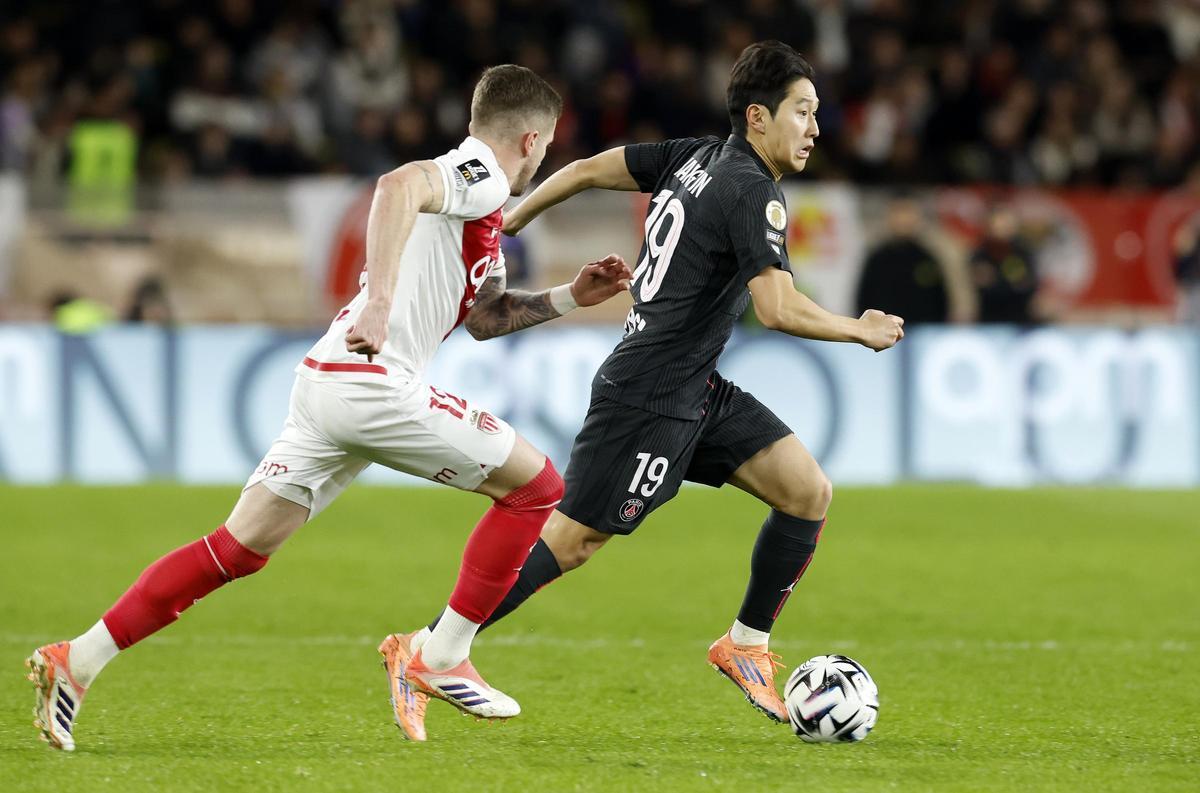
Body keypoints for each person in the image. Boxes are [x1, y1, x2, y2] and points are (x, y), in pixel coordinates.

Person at [26, 64, 634, 750]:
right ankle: (438, 655)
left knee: (236, 549)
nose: (542, 158)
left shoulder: (477, 210)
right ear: (530, 139)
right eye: (546, 146)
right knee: (537, 488)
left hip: (328, 382)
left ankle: (75, 661)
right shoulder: (482, 174)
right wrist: (379, 301)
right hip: (372, 381)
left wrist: (570, 297)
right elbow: (395, 186)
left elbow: (487, 317)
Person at [394, 41, 904, 734]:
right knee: (569, 543)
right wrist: (858, 329)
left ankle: (745, 645)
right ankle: (426, 648)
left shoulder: (693, 156)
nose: (816, 127)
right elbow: (778, 308)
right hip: (648, 395)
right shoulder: (753, 191)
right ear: (759, 117)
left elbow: (583, 169)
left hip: (694, 384)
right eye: (803, 111)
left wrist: (511, 218)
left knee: (806, 492)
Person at [854, 195, 952, 324]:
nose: (903, 220)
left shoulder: (927, 257)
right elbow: (864, 298)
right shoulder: (877, 259)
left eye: (908, 213)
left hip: (923, 328)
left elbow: (940, 300)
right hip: (884, 330)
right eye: (898, 213)